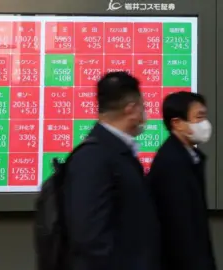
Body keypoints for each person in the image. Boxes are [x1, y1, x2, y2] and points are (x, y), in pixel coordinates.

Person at [63, 72, 160, 270]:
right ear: (131, 109)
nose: (145, 113)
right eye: (143, 106)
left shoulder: (117, 152)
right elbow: (89, 236)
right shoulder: (94, 157)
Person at [148, 91, 217, 270]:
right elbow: (180, 228)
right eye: (198, 117)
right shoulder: (171, 163)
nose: (205, 124)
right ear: (177, 123)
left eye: (205, 117)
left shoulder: (189, 157)